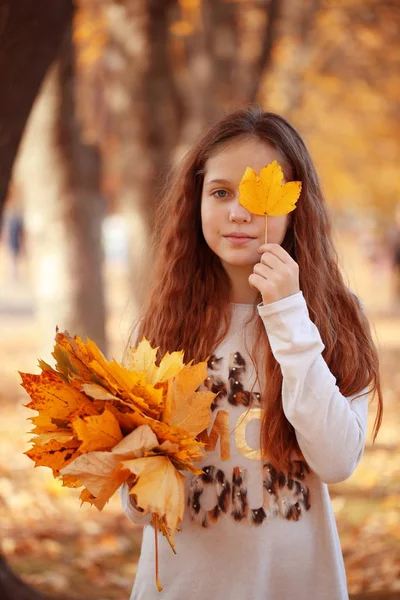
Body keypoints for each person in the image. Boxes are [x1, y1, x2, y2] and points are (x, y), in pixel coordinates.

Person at [120, 106, 383, 600]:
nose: (238, 212)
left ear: (296, 207)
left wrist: (287, 315)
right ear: (195, 201)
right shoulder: (159, 328)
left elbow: (336, 461)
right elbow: (137, 507)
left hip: (296, 586)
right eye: (220, 192)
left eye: (259, 195)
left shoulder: (337, 320)